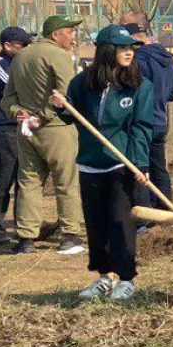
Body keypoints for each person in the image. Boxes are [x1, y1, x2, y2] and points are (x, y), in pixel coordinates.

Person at [49, 26, 153, 300]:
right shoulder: (83, 83)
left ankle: (126, 278)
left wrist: (140, 164)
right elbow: (71, 116)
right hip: (90, 163)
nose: (129, 52)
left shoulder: (140, 85)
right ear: (107, 51)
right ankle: (105, 277)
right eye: (122, 48)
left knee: (121, 222)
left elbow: (141, 127)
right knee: (96, 224)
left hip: (122, 164)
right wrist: (61, 106)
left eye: (130, 47)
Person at [1, 14, 85, 256]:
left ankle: (26, 238)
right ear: (55, 34)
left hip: (26, 131)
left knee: (29, 183)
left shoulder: (20, 57)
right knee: (66, 182)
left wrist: (19, 114)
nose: (72, 37)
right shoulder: (58, 54)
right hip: (56, 128)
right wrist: (43, 115)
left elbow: (7, 99)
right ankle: (70, 235)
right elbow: (67, 94)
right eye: (69, 32)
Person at [120, 11, 173, 228]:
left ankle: (144, 219)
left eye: (123, 25)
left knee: (139, 170)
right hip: (160, 121)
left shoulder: (138, 61)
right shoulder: (167, 60)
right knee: (158, 167)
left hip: (140, 122)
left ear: (135, 30)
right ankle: (167, 214)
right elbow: (171, 94)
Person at [0, 26, 31, 244]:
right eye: (22, 45)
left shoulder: (23, 64)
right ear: (7, 46)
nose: (26, 49)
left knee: (26, 180)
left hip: (26, 128)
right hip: (6, 129)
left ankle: (24, 226)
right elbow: (14, 85)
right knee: (3, 179)